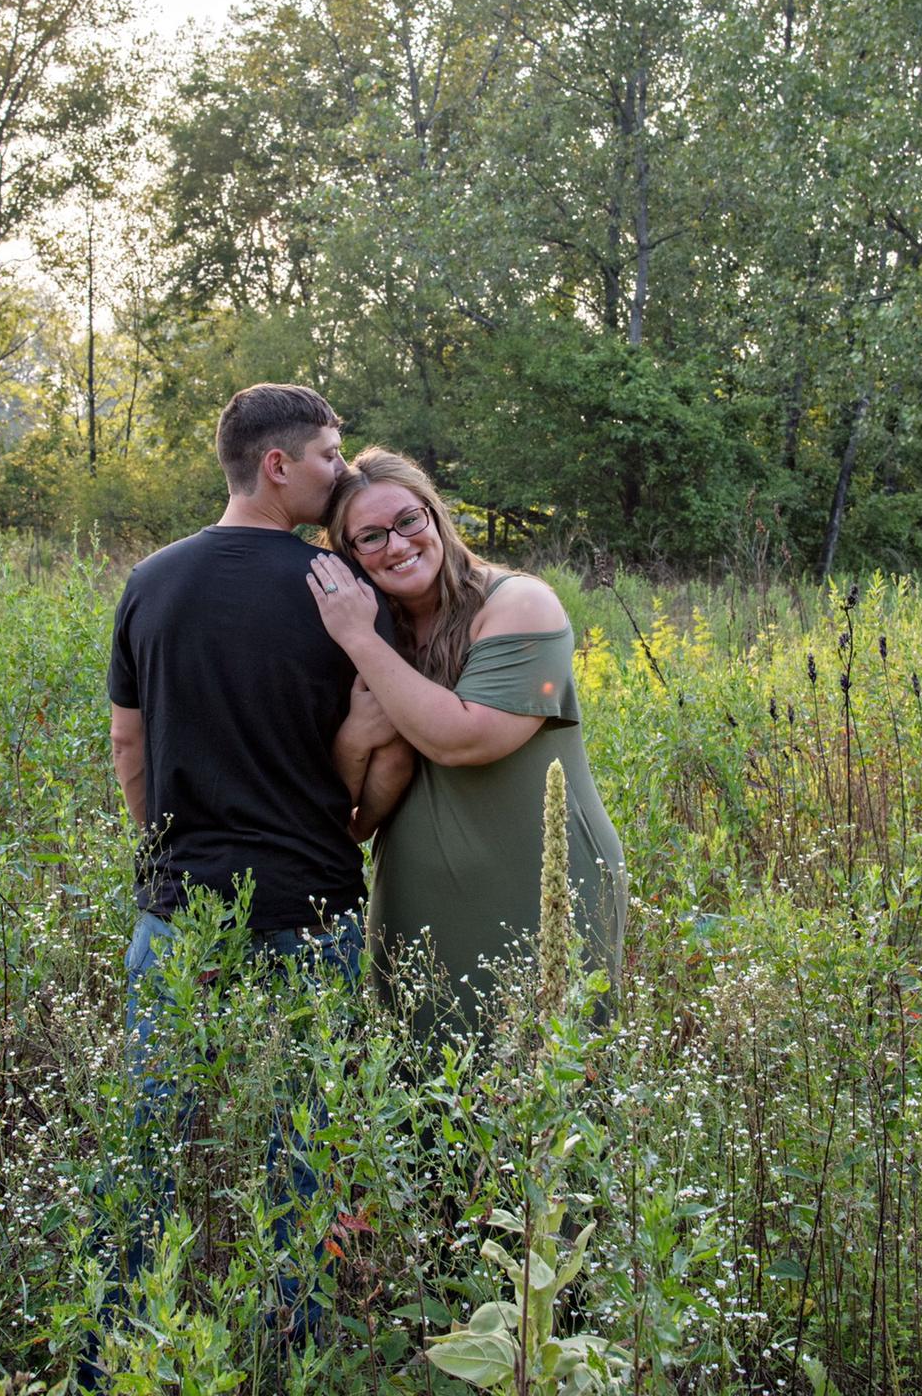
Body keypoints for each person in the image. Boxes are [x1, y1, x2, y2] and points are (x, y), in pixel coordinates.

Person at [104, 384, 410, 1339]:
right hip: (312, 903)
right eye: (329, 454)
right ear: (277, 466)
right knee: (301, 1146)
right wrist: (351, 825)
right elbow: (387, 744)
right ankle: (294, 1341)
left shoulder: (152, 580)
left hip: (178, 908)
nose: (342, 470)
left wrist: (167, 850)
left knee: (149, 1138)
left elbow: (128, 743)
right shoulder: (343, 590)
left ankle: (122, 1340)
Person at [307, 447, 627, 1038]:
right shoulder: (375, 625)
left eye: (409, 520)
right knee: (416, 1074)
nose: (397, 545)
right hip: (414, 899)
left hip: (540, 886)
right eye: (370, 537)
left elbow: (465, 739)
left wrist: (359, 641)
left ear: (435, 514)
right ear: (347, 555)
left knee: (550, 1071)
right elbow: (343, 802)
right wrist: (354, 731)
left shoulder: (518, 604)